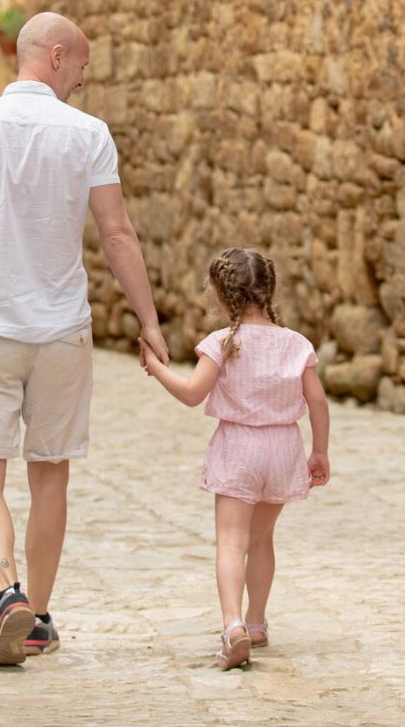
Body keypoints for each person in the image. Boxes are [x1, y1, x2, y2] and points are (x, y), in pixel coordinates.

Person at [0, 11, 169, 666]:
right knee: (50, 471)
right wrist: (149, 320)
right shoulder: (88, 134)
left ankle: (7, 592)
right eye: (80, 64)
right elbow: (117, 233)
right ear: (55, 55)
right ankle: (39, 618)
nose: (82, 78)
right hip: (60, 330)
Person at [140, 248, 331, 670]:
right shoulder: (296, 344)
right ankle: (258, 622)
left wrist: (155, 366)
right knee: (262, 539)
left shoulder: (223, 344)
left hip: (239, 448)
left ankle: (233, 626)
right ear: (269, 290)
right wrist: (318, 451)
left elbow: (192, 393)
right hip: (283, 449)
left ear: (222, 295)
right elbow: (317, 400)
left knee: (232, 541)